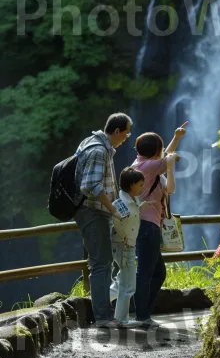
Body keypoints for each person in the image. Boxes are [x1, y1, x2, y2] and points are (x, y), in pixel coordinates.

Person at [73, 113, 132, 328]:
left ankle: (104, 315)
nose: (127, 137)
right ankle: (104, 318)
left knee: (103, 262)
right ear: (117, 131)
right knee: (101, 264)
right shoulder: (98, 150)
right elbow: (90, 186)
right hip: (93, 212)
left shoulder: (91, 143)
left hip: (94, 211)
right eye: (127, 132)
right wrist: (113, 210)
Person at [132, 122, 187, 328]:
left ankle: (144, 310)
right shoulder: (149, 167)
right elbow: (169, 158)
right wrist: (174, 154)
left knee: (157, 272)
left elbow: (165, 158)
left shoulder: (142, 164)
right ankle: (141, 315)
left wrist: (176, 138)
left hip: (149, 225)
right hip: (147, 225)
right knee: (146, 272)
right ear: (155, 151)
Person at [108, 167, 152, 328]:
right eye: (140, 185)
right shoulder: (120, 203)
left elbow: (129, 217)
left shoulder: (133, 201)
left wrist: (141, 209)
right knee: (128, 284)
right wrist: (122, 235)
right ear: (132, 185)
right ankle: (120, 319)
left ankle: (101, 300)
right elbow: (116, 220)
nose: (142, 188)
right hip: (124, 245)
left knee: (123, 279)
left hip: (128, 244)